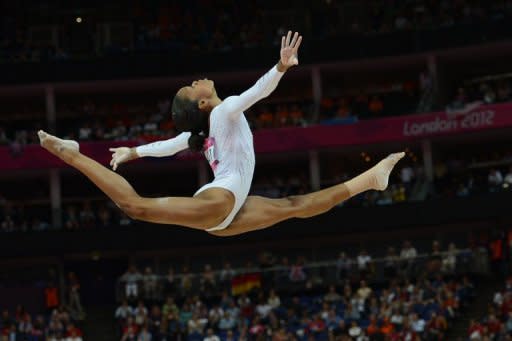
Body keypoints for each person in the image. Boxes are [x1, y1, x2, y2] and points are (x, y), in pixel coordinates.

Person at [38, 31, 404, 236]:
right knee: (137, 208)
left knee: (298, 206)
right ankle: (71, 153)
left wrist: (135, 153)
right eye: (192, 87)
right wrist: (280, 67)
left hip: (226, 213)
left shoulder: (207, 129)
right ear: (200, 103)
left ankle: (371, 180)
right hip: (221, 204)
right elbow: (256, 92)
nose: (197, 81)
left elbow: (170, 145)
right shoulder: (226, 108)